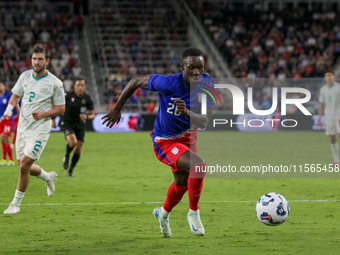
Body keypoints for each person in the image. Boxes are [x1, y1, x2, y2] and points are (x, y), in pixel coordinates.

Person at [102, 48, 214, 237]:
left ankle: (162, 215)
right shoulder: (168, 83)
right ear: (182, 67)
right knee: (199, 167)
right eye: (191, 67)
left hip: (188, 140)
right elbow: (135, 81)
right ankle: (193, 213)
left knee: (181, 185)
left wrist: (186, 111)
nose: (196, 72)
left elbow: (204, 121)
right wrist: (117, 108)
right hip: (166, 141)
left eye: (200, 67)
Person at [3, 44, 65, 214]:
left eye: (40, 59)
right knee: (24, 166)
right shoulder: (25, 77)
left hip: (40, 129)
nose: (36, 62)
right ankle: (48, 177)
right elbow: (15, 96)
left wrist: (44, 114)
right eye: (34, 59)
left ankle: (15, 204)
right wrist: (8, 112)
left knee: (24, 167)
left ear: (47, 61)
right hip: (22, 129)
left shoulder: (55, 83)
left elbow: (61, 108)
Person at [60, 77, 95, 177]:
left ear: (85, 87)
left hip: (80, 125)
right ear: (74, 86)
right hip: (68, 123)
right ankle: (66, 155)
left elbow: (93, 115)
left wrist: (87, 116)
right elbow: (58, 106)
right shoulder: (67, 96)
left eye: (82, 85)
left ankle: (70, 171)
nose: (80, 87)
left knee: (78, 149)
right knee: (73, 142)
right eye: (78, 85)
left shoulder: (88, 99)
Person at [318, 70, 340, 165]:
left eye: (330, 76)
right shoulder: (323, 90)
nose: (329, 78)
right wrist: (319, 117)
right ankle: (336, 161)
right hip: (329, 116)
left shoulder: (338, 88)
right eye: (327, 76)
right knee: (332, 137)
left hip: (338, 115)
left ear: (333, 77)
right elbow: (322, 104)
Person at [0, 82, 17, 166]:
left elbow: (16, 104)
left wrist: (19, 114)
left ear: (4, 87)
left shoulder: (8, 95)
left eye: (0, 85)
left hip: (7, 120)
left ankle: (11, 159)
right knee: (3, 139)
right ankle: (4, 159)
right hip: (0, 122)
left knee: (4, 137)